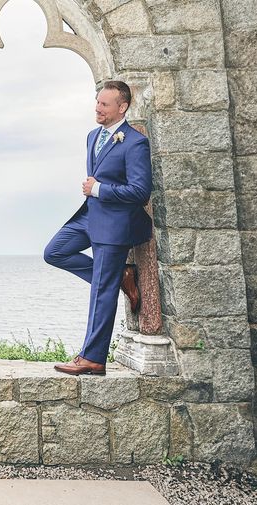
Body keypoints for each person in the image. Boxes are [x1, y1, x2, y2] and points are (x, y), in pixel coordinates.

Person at [44, 81, 152, 376]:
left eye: (105, 104)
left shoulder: (134, 142)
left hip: (115, 225)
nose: (98, 108)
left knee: (100, 293)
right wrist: (95, 195)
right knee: (54, 252)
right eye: (97, 103)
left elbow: (141, 191)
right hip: (88, 217)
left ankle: (92, 358)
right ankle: (121, 277)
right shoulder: (92, 136)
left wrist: (100, 189)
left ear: (122, 107)